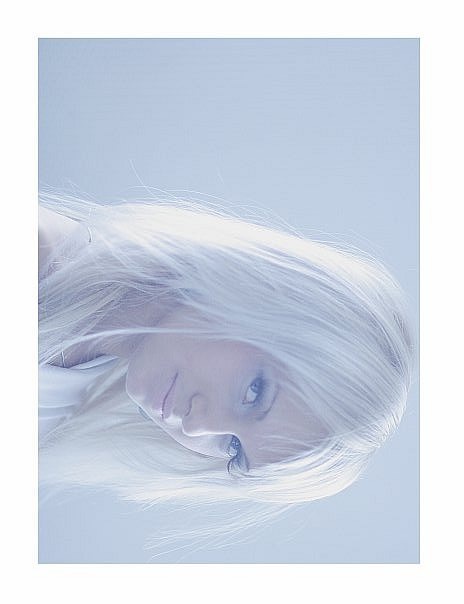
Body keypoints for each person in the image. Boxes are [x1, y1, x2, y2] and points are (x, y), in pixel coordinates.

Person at [38, 192, 413, 547]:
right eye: (253, 393)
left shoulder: (63, 392)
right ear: (264, 295)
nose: (197, 426)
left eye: (234, 448)